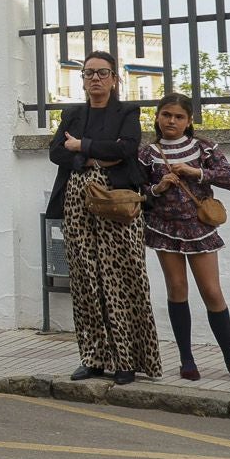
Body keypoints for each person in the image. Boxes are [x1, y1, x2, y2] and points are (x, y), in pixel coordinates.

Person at [49, 49, 161, 387]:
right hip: (76, 201)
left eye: (102, 73)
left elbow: (126, 149)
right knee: (85, 279)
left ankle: (127, 360)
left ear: (115, 79)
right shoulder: (72, 113)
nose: (95, 78)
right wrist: (92, 157)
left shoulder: (127, 111)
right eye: (88, 73)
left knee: (121, 278)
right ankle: (93, 358)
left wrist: (80, 145)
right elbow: (56, 151)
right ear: (82, 79)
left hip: (118, 202)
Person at [139, 92, 230, 382]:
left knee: (212, 292)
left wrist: (195, 172)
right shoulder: (147, 153)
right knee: (177, 290)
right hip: (164, 228)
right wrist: (159, 187)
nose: (171, 121)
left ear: (189, 120)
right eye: (166, 115)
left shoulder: (204, 148)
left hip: (200, 228)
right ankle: (186, 360)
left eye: (179, 116)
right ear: (157, 117)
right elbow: (137, 193)